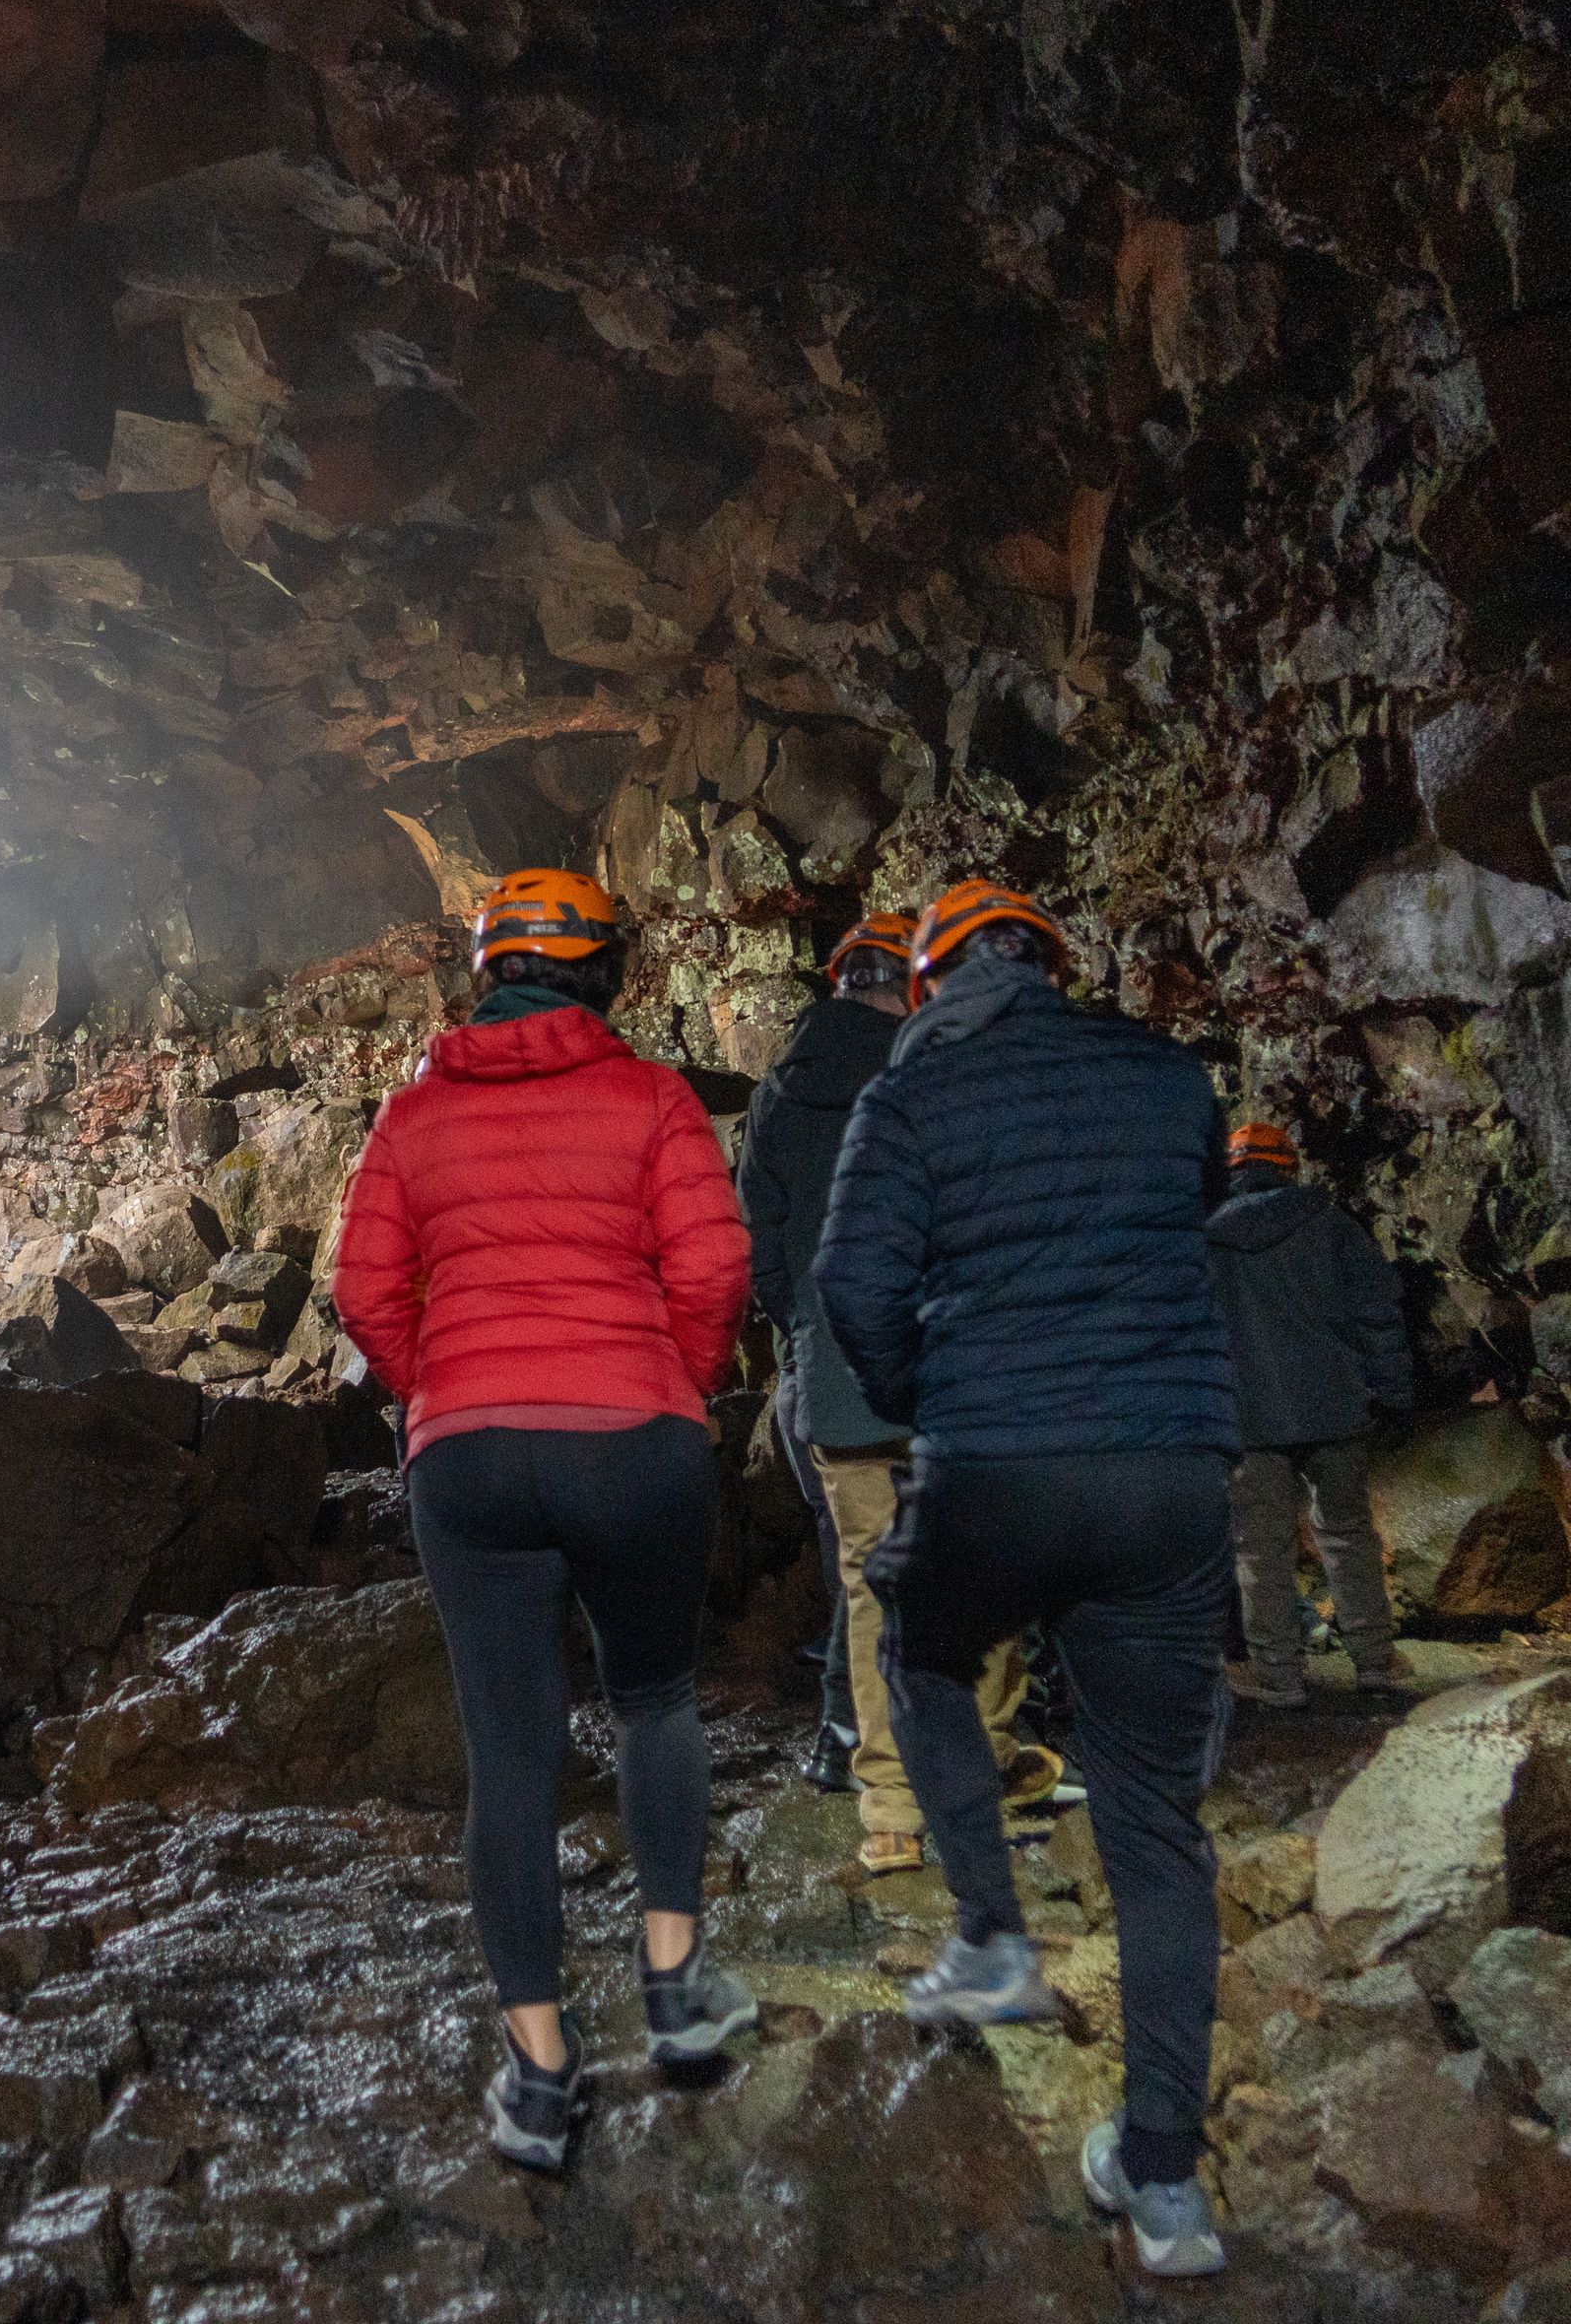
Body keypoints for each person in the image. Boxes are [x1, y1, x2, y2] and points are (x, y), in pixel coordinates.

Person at [812, 880, 1240, 2279]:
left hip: (997, 1462)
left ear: (929, 987)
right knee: (1156, 1825)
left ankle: (993, 1932)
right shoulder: (1169, 1078)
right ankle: (1168, 2189)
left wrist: (934, 1393)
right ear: (1053, 967)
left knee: (920, 1649)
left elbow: (854, 1286)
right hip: (1168, 1475)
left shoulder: (912, 1097)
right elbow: (1196, 1230)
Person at [335, 866, 757, 2174]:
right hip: (633, 1437)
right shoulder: (650, 1096)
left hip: (471, 1457)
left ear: (486, 973)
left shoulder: (412, 1116)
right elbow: (717, 1265)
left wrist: (436, 1392)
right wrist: (674, 1381)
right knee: (655, 1699)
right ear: (602, 972)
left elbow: (361, 1290)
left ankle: (538, 2071)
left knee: (510, 1756)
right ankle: (678, 1993)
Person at [739, 912, 1072, 1871]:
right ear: (912, 984)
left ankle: (890, 1817)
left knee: (873, 1593)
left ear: (839, 981)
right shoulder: (943, 1072)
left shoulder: (779, 1095)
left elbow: (757, 1241)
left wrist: (804, 1328)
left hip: (838, 1382)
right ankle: (988, 1775)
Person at [1208, 1123, 1416, 1706]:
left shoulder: (1204, 1242)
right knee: (1347, 1534)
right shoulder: (1333, 1227)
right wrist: (1392, 1393)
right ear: (1290, 1167)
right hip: (1337, 1410)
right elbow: (1379, 1315)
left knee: (1260, 1550)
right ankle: (1376, 1662)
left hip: (1249, 1421)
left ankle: (1280, 1677)